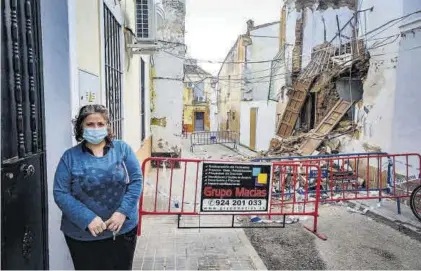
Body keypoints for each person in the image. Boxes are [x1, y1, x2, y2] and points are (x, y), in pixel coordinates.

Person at [53, 104, 143, 270]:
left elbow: (136, 181)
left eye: (100, 124)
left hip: (121, 231)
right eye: (90, 124)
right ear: (81, 127)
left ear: (108, 126)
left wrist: (122, 212)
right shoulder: (70, 157)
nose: (95, 128)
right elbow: (61, 193)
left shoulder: (122, 149)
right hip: (82, 236)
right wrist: (87, 218)